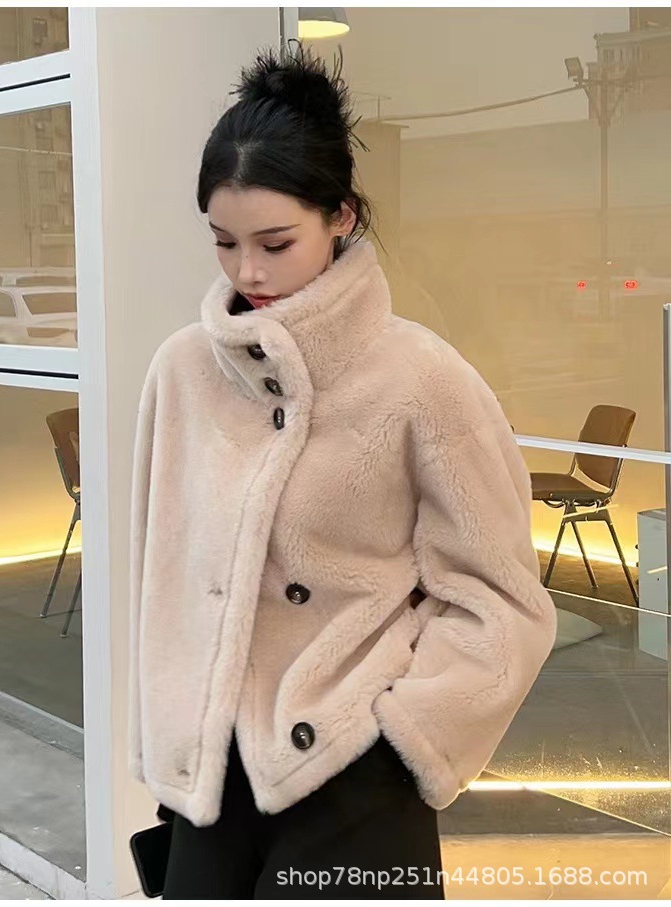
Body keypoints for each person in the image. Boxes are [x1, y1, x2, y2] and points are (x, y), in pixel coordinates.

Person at [128, 41, 557, 900]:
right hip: (212, 783)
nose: (249, 272)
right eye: (224, 243)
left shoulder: (422, 379)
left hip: (354, 772)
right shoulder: (182, 372)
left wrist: (404, 736)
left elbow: (503, 597)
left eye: (275, 242)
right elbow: (162, 575)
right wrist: (175, 739)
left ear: (342, 217)